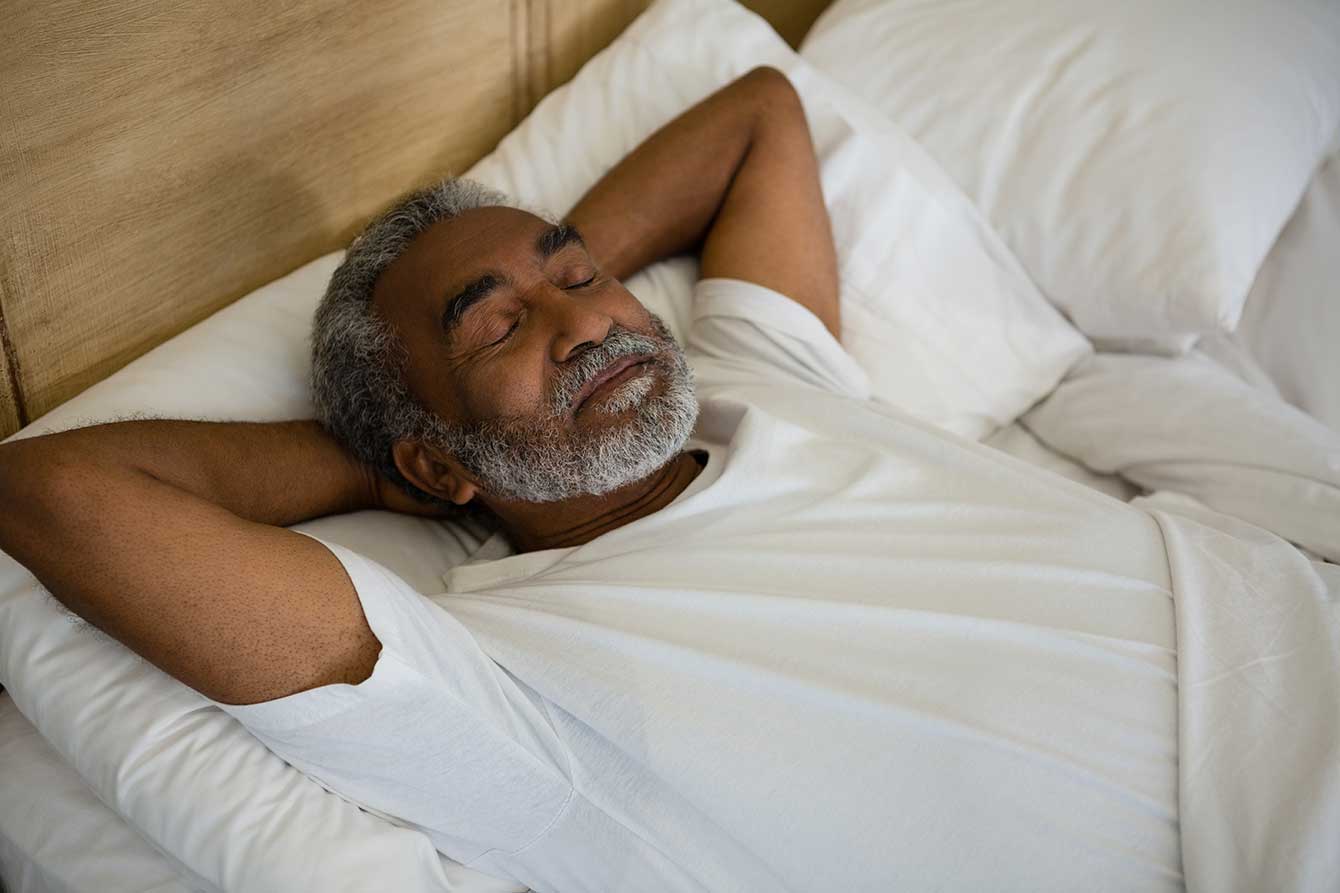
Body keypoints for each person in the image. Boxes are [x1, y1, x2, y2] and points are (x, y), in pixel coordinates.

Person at [0, 68, 1183, 890]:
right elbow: (52, 493)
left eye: (579, 272)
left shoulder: (760, 381)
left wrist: (538, 308)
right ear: (431, 458)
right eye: (493, 325)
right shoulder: (511, 679)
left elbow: (758, 116)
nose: (589, 324)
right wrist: (390, 459)